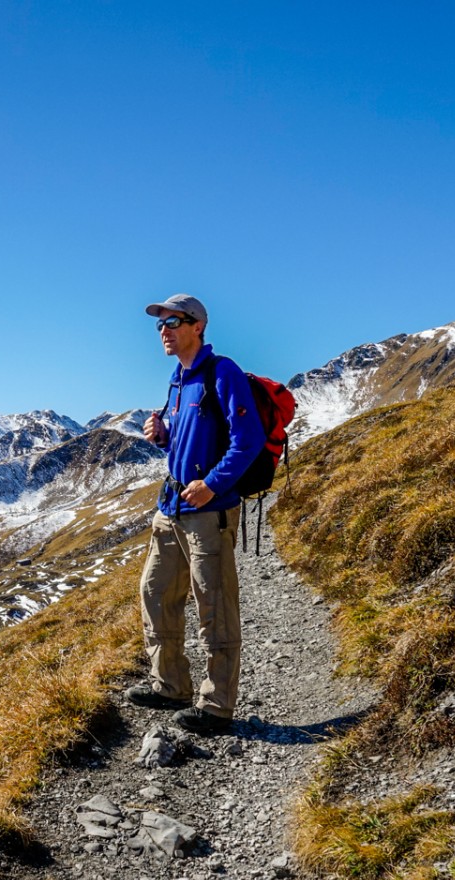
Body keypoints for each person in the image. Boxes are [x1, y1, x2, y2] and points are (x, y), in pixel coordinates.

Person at [126, 293, 265, 735]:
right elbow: (187, 445)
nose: (163, 330)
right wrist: (163, 436)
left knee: (214, 607)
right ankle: (171, 685)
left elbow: (249, 441)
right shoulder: (178, 380)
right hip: (170, 510)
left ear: (197, 326)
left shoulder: (221, 373)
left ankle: (218, 705)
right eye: (159, 324)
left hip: (209, 512)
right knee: (155, 593)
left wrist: (214, 485)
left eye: (172, 322)